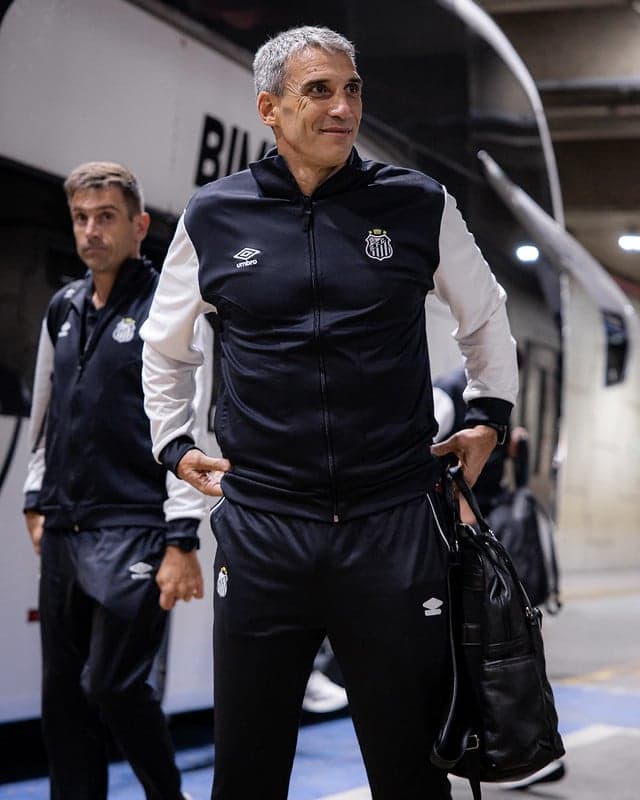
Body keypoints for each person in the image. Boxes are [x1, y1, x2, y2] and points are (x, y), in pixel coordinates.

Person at [140, 26, 518, 800]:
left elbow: (485, 317)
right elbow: (164, 348)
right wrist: (173, 444)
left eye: (352, 90)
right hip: (265, 526)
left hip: (393, 523)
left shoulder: (417, 203)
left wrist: (489, 414)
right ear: (269, 109)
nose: (343, 107)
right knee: (246, 771)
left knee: (411, 771)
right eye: (318, 91)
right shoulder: (215, 215)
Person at [23, 161, 207, 800]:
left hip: (136, 524)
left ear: (139, 225)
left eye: (106, 217)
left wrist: (182, 536)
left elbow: (187, 422)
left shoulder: (167, 308)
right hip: (65, 525)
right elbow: (45, 410)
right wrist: (35, 497)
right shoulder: (63, 306)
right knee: (62, 698)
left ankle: (168, 795)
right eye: (81, 218)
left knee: (112, 684)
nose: (91, 231)